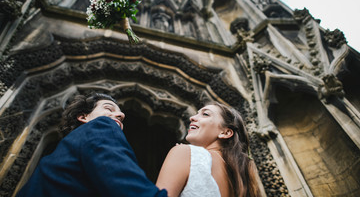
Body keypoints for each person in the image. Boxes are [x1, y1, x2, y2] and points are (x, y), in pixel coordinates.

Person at [17, 93, 167, 197]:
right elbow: (128, 185)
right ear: (83, 116)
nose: (122, 115)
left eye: (121, 114)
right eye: (109, 108)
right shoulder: (102, 125)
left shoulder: (59, 155)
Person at [156, 102, 261, 197]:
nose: (192, 118)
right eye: (196, 113)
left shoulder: (184, 153)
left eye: (205, 114)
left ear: (225, 133)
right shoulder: (239, 183)